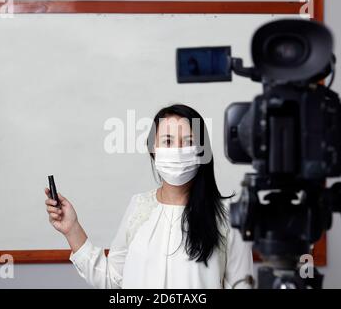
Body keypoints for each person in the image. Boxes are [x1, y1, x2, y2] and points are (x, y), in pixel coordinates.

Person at [44, 104, 253, 288]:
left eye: (187, 141)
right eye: (168, 141)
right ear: (153, 149)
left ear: (201, 151)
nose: (177, 151)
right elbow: (113, 280)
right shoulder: (139, 206)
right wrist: (72, 229)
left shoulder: (228, 217)